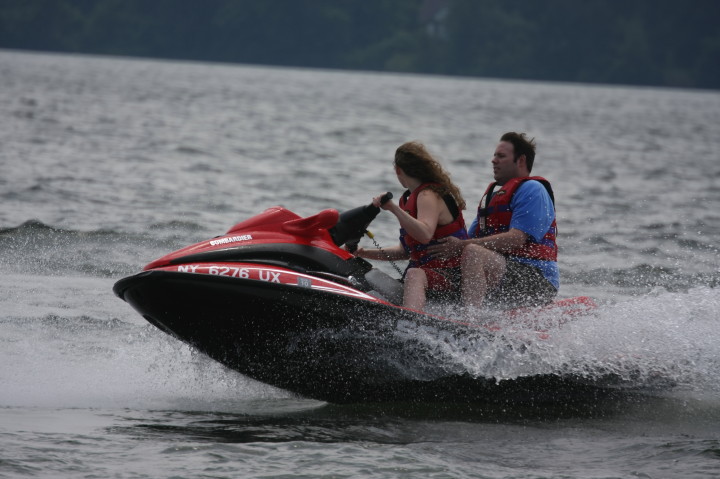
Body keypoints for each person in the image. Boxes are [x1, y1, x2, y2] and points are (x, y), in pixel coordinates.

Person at [427, 132, 559, 310]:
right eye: (494, 155)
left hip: (537, 278)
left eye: (501, 156)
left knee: (472, 252)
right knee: (453, 257)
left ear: (521, 160)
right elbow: (467, 239)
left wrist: (460, 245)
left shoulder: (533, 190)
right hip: (502, 269)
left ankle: (470, 318)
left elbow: (516, 239)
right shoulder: (492, 197)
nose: (493, 160)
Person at [354, 141, 468, 311]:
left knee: (413, 274)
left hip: (450, 277)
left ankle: (410, 323)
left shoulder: (428, 194)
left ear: (398, 170)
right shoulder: (408, 199)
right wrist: (362, 253)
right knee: (372, 279)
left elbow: (425, 234)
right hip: (426, 278)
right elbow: (404, 252)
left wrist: (393, 208)